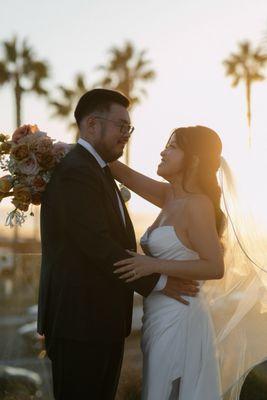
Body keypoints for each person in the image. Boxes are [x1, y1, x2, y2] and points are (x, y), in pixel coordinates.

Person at [37, 89, 199, 400]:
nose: (126, 135)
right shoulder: (77, 173)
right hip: (80, 324)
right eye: (121, 126)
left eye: (129, 128)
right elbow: (98, 246)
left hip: (97, 324)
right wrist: (160, 281)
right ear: (92, 124)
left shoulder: (96, 169)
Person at [110, 125, 225, 399]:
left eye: (172, 146)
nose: (163, 151)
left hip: (181, 316)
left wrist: (153, 265)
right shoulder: (169, 196)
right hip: (158, 314)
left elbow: (215, 266)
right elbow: (121, 171)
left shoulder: (197, 205)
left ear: (194, 159)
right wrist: (49, 149)